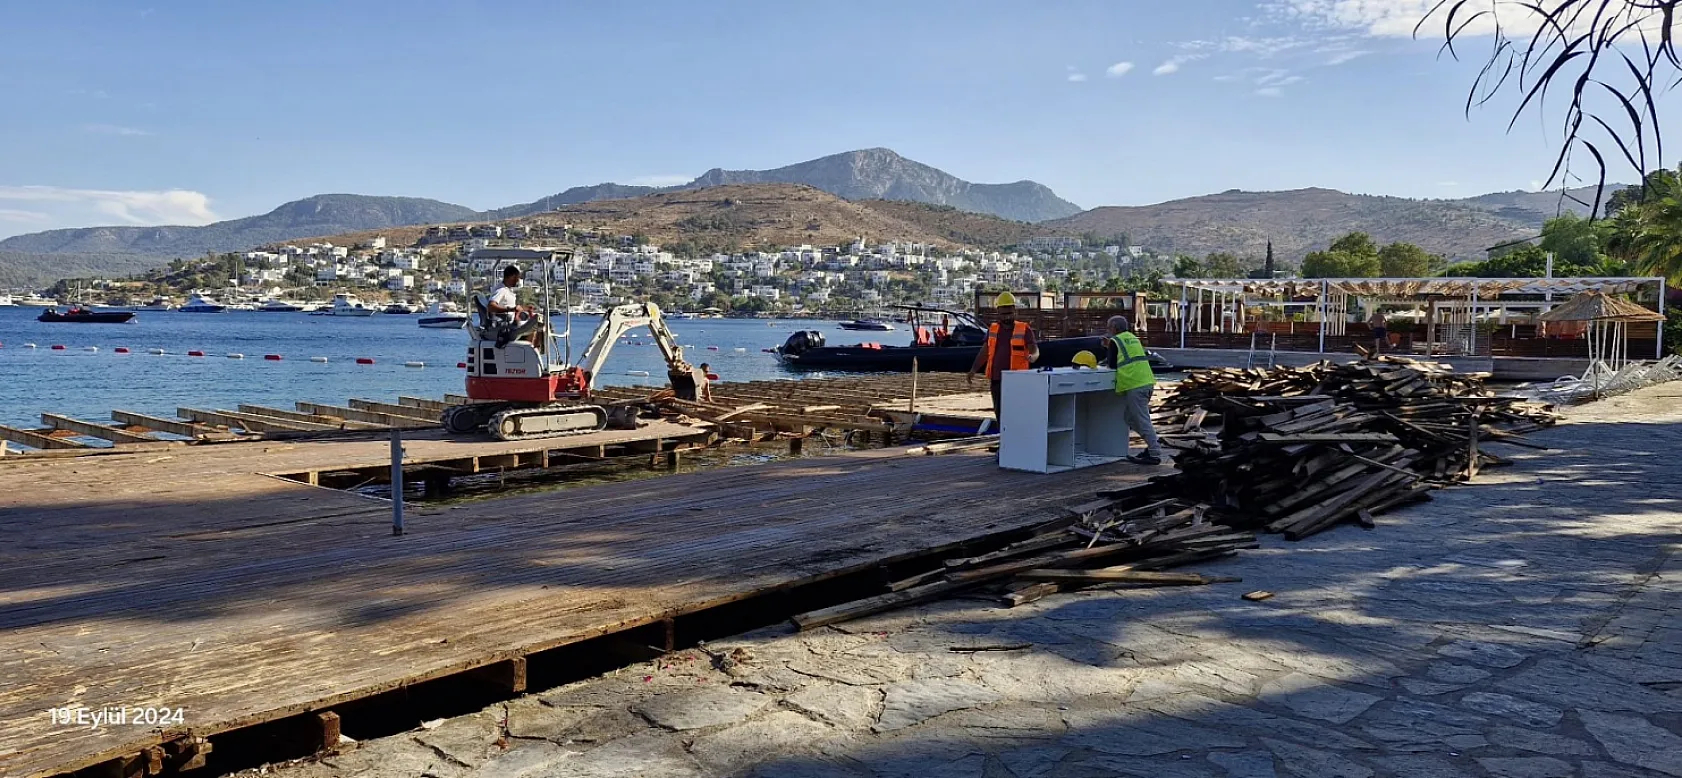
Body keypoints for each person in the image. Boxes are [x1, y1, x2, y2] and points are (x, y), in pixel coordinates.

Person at [966, 291, 1039, 429]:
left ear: (1015, 311)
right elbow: (985, 351)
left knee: (1016, 413)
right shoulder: (993, 329)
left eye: (1010, 313)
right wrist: (973, 370)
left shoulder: (1024, 329)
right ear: (998, 312)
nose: (1008, 317)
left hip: (1017, 380)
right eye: (1004, 314)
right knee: (1000, 414)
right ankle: (1003, 441)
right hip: (997, 380)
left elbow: (1034, 349)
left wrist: (1033, 357)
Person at [1101, 315, 1163, 466]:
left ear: (1115, 328)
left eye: (1109, 328)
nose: (1107, 331)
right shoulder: (1133, 338)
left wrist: (1108, 347)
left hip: (1135, 385)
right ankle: (1152, 443)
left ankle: (1155, 453)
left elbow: (1112, 365)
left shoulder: (1115, 341)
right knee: (1130, 418)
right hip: (1145, 382)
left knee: (1142, 421)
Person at [487, 265, 541, 348]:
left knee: (539, 324)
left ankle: (532, 349)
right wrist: (511, 309)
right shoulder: (501, 290)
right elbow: (490, 307)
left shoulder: (508, 290)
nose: (518, 281)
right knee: (539, 320)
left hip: (512, 323)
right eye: (517, 279)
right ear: (511, 277)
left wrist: (525, 308)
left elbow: (512, 307)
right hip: (507, 328)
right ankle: (533, 350)